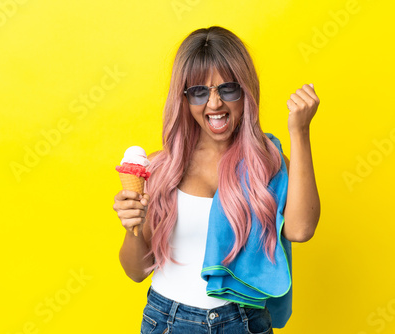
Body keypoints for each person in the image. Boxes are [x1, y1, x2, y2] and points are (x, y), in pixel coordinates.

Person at [113, 26, 320, 333]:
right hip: (168, 321)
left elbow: (301, 230)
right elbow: (136, 272)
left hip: (244, 322)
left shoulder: (268, 163)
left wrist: (299, 132)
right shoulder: (163, 169)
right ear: (184, 98)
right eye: (199, 91)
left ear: (246, 91)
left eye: (228, 89)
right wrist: (132, 228)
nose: (214, 105)